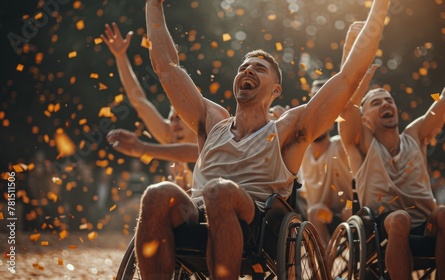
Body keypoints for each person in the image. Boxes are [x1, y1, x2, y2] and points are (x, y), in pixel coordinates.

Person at [135, 0, 390, 278]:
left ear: (276, 89)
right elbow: (167, 67)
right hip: (196, 213)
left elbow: (347, 79)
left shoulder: (287, 129)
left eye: (258, 69)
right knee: (157, 194)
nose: (248, 70)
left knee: (218, 191)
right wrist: (153, 4)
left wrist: (380, 7)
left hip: (257, 223)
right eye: (244, 67)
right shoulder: (211, 121)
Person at [339, 15, 445, 279]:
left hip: (426, 226)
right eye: (376, 103)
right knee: (399, 218)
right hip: (380, 228)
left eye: (389, 100)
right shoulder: (361, 142)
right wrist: (350, 54)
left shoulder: (415, 134)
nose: (386, 104)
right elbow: (344, 105)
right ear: (365, 119)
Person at [100, 23, 198, 191]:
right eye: (171, 118)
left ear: (193, 121)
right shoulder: (169, 137)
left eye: (179, 118)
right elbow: (138, 101)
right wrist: (120, 56)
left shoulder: (210, 137)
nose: (174, 124)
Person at [297, 79, 354, 245]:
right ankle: (323, 269)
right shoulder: (301, 150)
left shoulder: (340, 145)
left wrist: (350, 206)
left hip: (348, 211)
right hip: (319, 215)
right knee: (314, 212)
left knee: (349, 212)